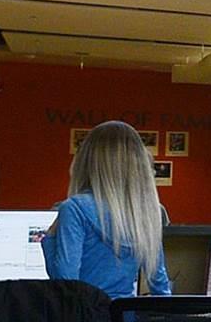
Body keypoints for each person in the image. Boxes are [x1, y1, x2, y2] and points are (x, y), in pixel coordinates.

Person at [41, 120, 172, 298]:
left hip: (87, 320)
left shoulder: (74, 209)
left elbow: (66, 284)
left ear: (86, 162)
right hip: (125, 319)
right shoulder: (147, 211)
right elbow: (160, 285)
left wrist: (49, 240)